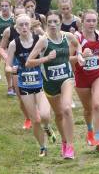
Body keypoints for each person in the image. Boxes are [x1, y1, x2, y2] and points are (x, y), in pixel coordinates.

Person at [26, 10, 85, 159]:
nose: (53, 24)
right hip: (50, 83)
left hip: (66, 78)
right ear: (47, 24)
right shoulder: (43, 41)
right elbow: (28, 62)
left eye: (56, 22)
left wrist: (79, 54)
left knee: (66, 109)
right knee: (58, 114)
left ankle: (70, 147)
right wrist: (45, 58)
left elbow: (77, 45)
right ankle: (64, 142)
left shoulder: (68, 36)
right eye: (50, 22)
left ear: (60, 22)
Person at [6, 14, 55, 157]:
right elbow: (7, 66)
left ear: (31, 25)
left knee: (45, 115)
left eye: (26, 24)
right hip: (25, 86)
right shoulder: (14, 44)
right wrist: (12, 69)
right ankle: (42, 147)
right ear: (16, 27)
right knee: (35, 120)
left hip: (40, 83)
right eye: (20, 25)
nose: (24, 27)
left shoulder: (39, 40)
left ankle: (47, 127)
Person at [73, 9, 99, 151]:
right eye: (88, 20)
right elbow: (67, 59)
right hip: (81, 77)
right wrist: (81, 55)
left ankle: (98, 138)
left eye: (94, 21)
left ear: (97, 22)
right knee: (88, 109)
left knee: (96, 105)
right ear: (82, 22)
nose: (91, 23)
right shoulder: (76, 38)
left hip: (98, 74)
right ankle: (89, 130)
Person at [0, 0, 14, 81]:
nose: (4, 8)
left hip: (11, 43)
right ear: (0, 7)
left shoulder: (13, 18)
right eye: (2, 6)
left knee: (7, 62)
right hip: (0, 42)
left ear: (10, 7)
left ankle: (10, 80)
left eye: (6, 6)